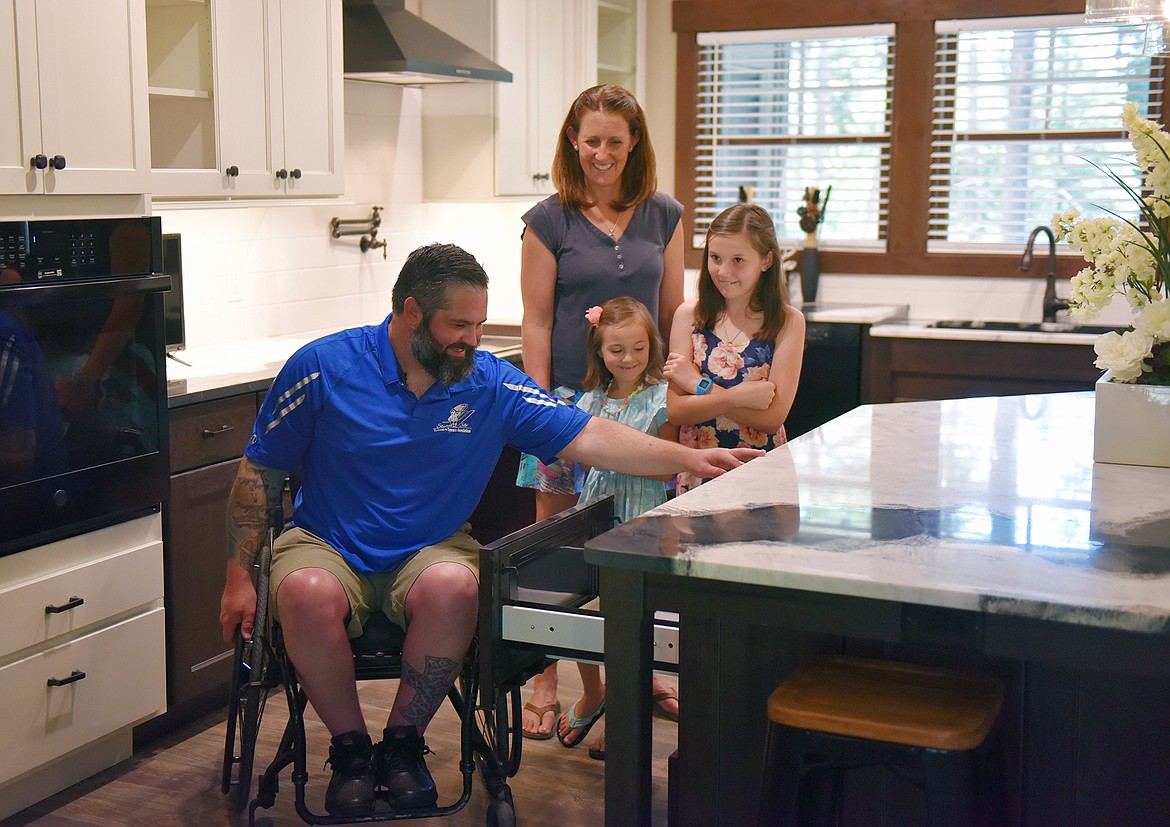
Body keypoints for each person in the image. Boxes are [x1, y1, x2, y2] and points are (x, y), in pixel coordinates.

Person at [217, 243, 761, 818]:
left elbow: (589, 435)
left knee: (458, 585)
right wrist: (237, 578)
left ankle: (403, 745)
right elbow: (259, 473)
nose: (472, 339)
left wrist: (689, 460)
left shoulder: (491, 383)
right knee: (304, 591)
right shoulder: (323, 367)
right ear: (409, 311)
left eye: (478, 324)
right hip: (325, 542)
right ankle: (352, 750)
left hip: (432, 546)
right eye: (458, 325)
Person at [517, 83, 685, 740]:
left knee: (634, 544)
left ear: (634, 143)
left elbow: (673, 316)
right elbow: (534, 321)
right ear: (572, 141)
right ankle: (542, 673)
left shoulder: (663, 214)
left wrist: (676, 399)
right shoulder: (547, 220)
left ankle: (634, 669)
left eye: (616, 141)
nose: (603, 153)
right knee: (552, 546)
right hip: (562, 404)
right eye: (592, 141)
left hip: (641, 409)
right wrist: (536, 408)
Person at [564, 297, 681, 760]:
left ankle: (625, 706)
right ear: (600, 352)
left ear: (651, 345)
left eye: (638, 347)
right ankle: (593, 691)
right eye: (617, 350)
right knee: (585, 604)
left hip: (642, 518)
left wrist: (617, 455)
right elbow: (577, 457)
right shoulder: (588, 401)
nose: (629, 359)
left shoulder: (663, 398)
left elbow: (662, 469)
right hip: (595, 511)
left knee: (628, 613)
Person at [664, 203, 806, 492]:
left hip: (760, 468)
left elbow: (771, 419)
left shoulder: (789, 321)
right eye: (715, 257)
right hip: (699, 468)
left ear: (766, 261)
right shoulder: (688, 317)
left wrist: (699, 385)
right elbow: (676, 411)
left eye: (738, 260)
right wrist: (741, 397)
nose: (723, 271)